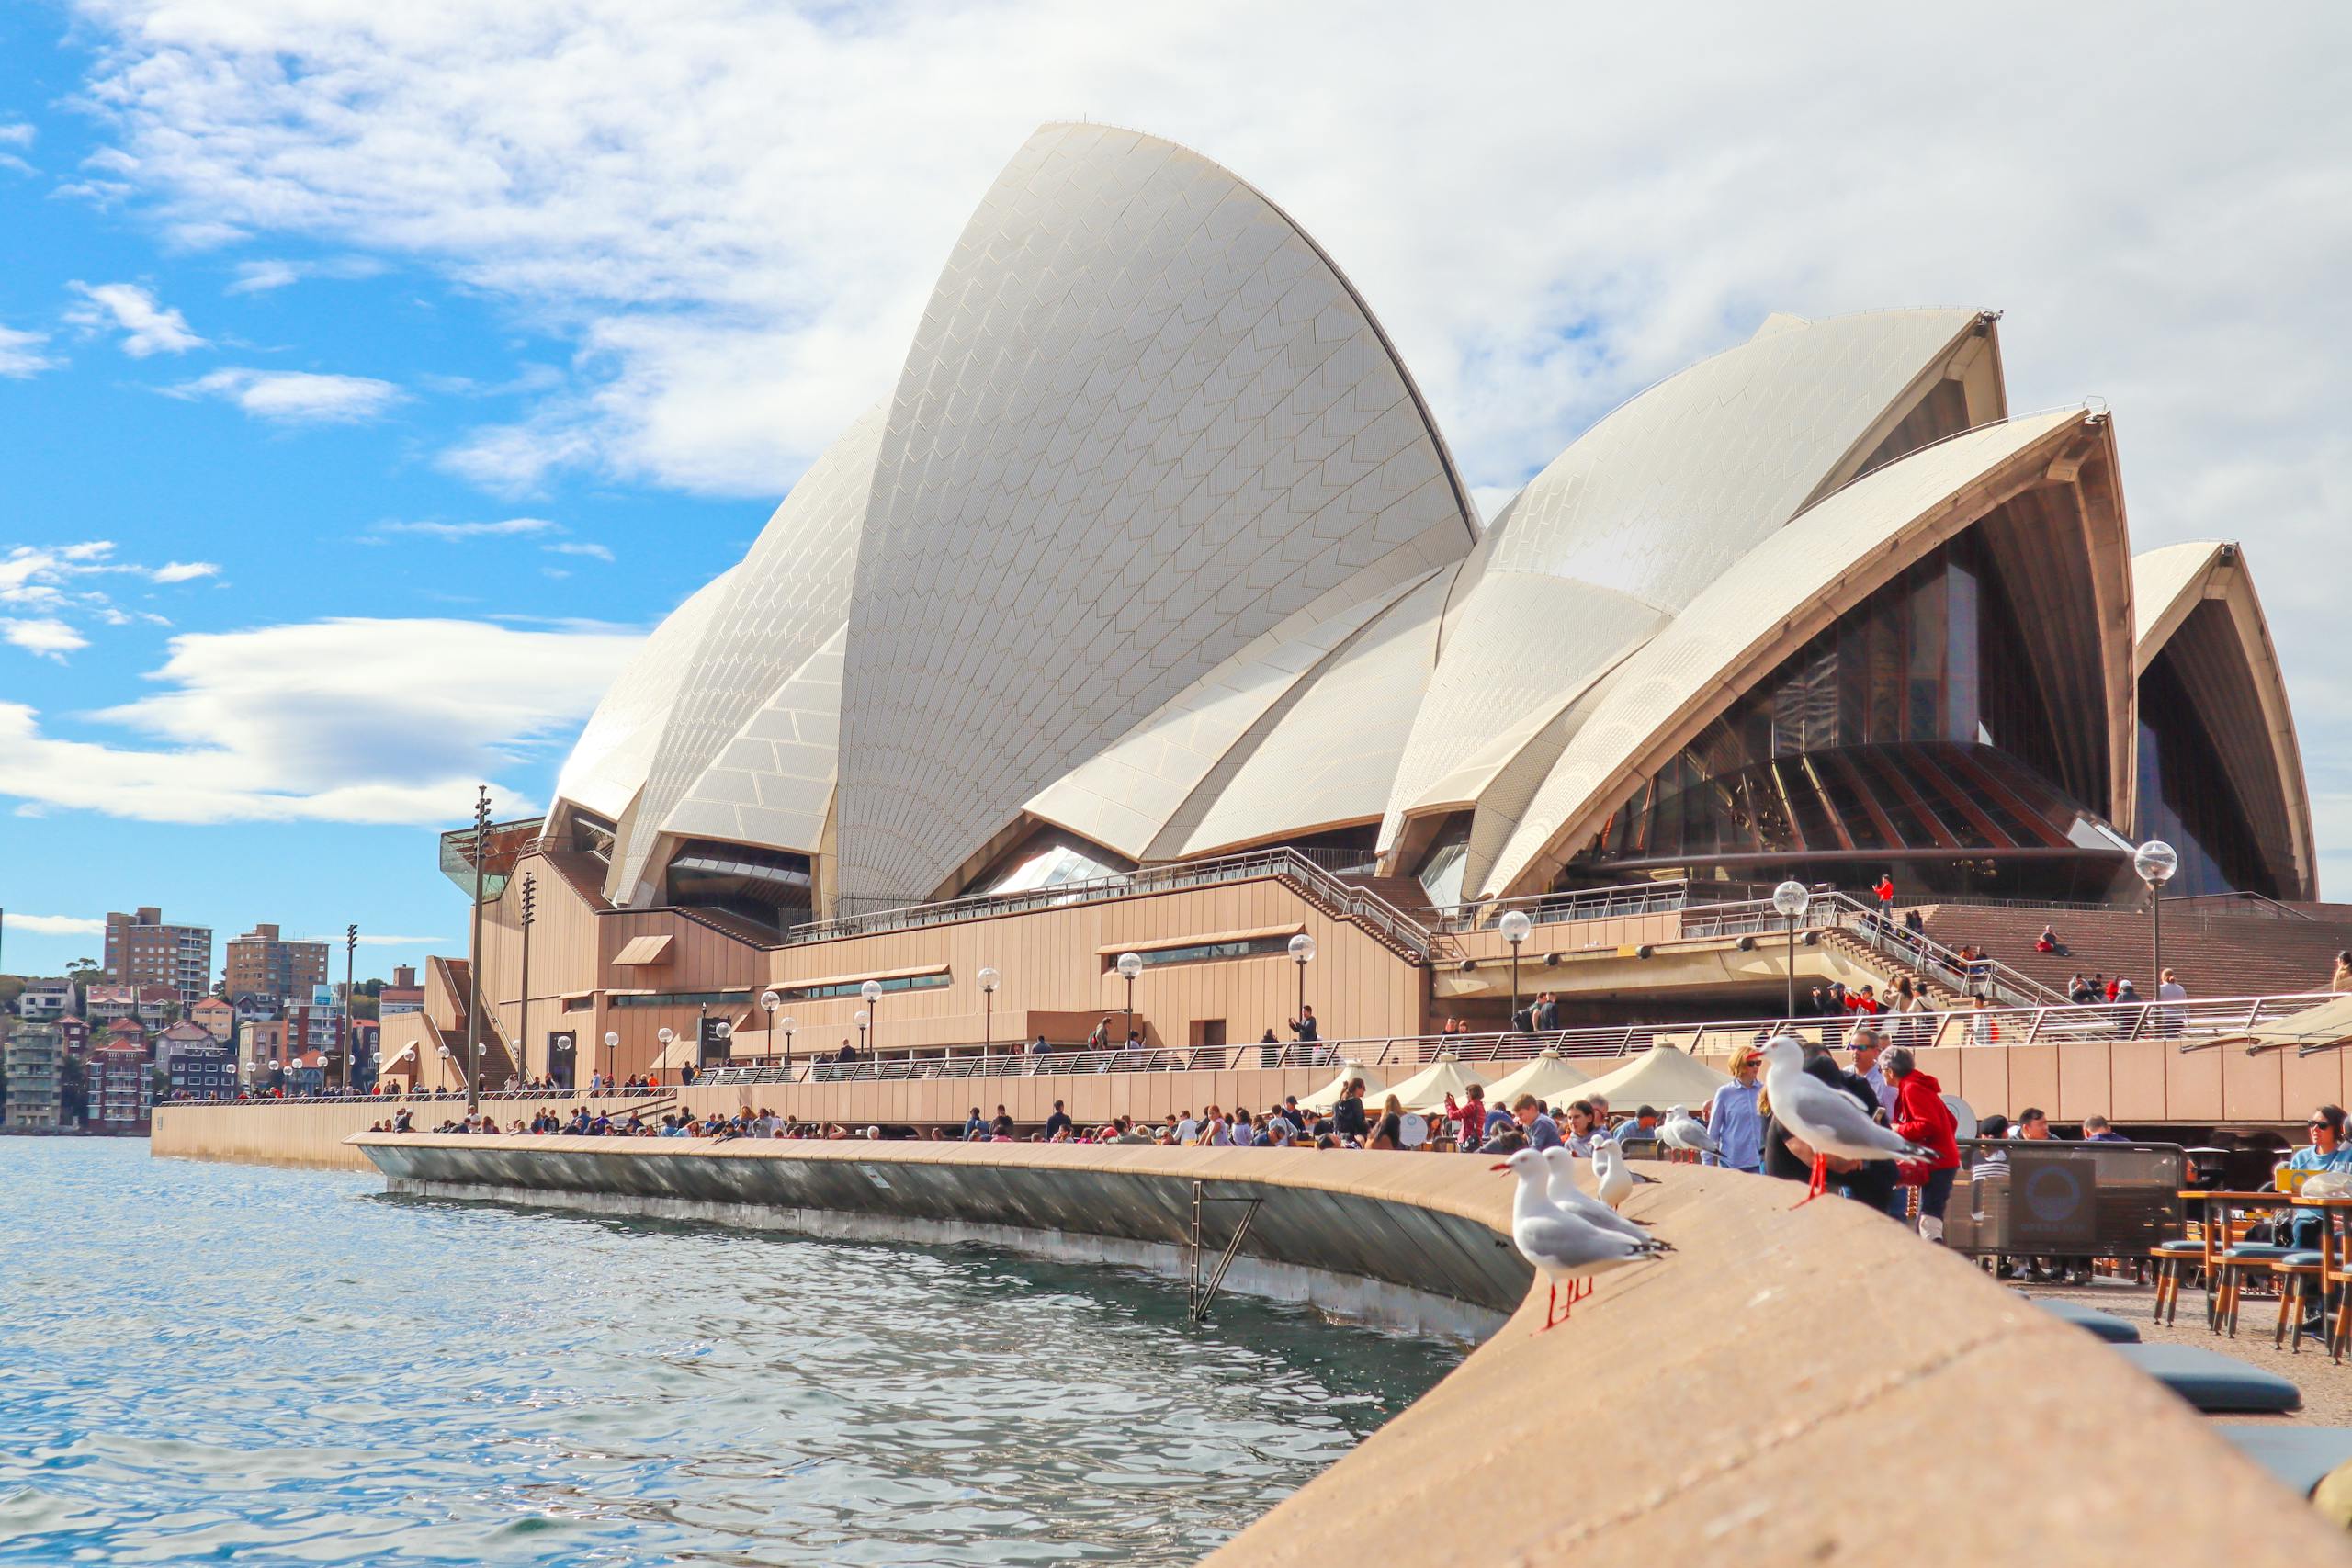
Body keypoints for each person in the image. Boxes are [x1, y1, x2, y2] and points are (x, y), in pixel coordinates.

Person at [1883, 1045, 1960, 1239]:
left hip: (1936, 1162)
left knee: (1929, 1215)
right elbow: (1951, 1121)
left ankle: (1937, 1260)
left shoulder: (1911, 1088)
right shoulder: (1918, 1085)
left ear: (1890, 1071)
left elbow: (1927, 1125)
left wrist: (1897, 1129)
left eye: (1882, 1070)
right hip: (1944, 1159)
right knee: (1928, 1214)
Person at [1701, 1044, 1765, 1173]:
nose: (1756, 1067)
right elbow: (1713, 1132)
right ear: (1739, 1065)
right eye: (1751, 1063)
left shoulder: (1764, 1091)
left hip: (1761, 1162)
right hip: (1732, 1163)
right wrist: (1706, 1163)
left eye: (1758, 1063)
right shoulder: (1724, 1093)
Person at [1848, 1021, 1898, 1119]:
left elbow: (1891, 1119)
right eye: (1852, 1047)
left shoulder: (1885, 1080)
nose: (1855, 1052)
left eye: (1861, 1048)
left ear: (1875, 1051)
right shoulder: (1844, 1074)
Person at [1332, 1078, 1370, 1143]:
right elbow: (1360, 1122)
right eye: (1363, 1087)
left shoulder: (1336, 1104)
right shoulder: (1356, 1101)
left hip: (1339, 1138)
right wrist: (1369, 1130)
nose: (1365, 1090)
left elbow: (1335, 1124)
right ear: (1357, 1088)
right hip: (1354, 1138)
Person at [2156, 968, 2188, 1036]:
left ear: (2163, 978)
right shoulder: (2180, 988)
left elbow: (2155, 1005)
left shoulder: (2161, 988)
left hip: (2166, 1019)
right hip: (2178, 1020)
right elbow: (2185, 1005)